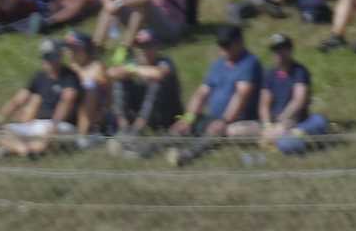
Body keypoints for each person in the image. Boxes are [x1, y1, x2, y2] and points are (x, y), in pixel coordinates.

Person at [170, 23, 260, 153]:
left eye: (226, 45)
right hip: (213, 118)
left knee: (223, 131)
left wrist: (224, 120)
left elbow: (241, 95)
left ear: (239, 42)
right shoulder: (218, 64)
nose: (223, 50)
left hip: (237, 121)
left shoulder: (250, 63)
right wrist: (188, 118)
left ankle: (190, 153)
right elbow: (202, 93)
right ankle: (153, 148)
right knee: (181, 125)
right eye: (221, 45)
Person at [0, 35, 83, 155]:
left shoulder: (70, 77)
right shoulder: (39, 76)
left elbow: (67, 101)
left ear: (59, 56)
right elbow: (18, 100)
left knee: (47, 133)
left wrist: (54, 126)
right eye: (45, 57)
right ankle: (25, 150)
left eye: (50, 57)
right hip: (36, 124)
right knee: (1, 130)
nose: (46, 61)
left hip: (62, 125)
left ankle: (18, 149)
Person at [250, 31, 330, 148]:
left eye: (282, 49)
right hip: (273, 123)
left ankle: (290, 138)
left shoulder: (299, 71)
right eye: (275, 50)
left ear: (290, 50)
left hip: (294, 120)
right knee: (239, 130)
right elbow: (264, 104)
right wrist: (267, 125)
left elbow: (298, 100)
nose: (279, 53)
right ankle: (283, 139)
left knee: (319, 121)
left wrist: (283, 119)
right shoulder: (269, 74)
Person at [108, 26, 183, 142]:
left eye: (148, 46)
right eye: (140, 47)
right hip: (142, 112)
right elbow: (111, 72)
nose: (143, 50)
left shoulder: (165, 62)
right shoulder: (134, 63)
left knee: (156, 84)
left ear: (157, 46)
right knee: (120, 81)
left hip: (166, 116)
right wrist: (130, 70)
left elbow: (159, 74)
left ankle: (137, 129)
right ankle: (124, 127)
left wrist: (133, 70)